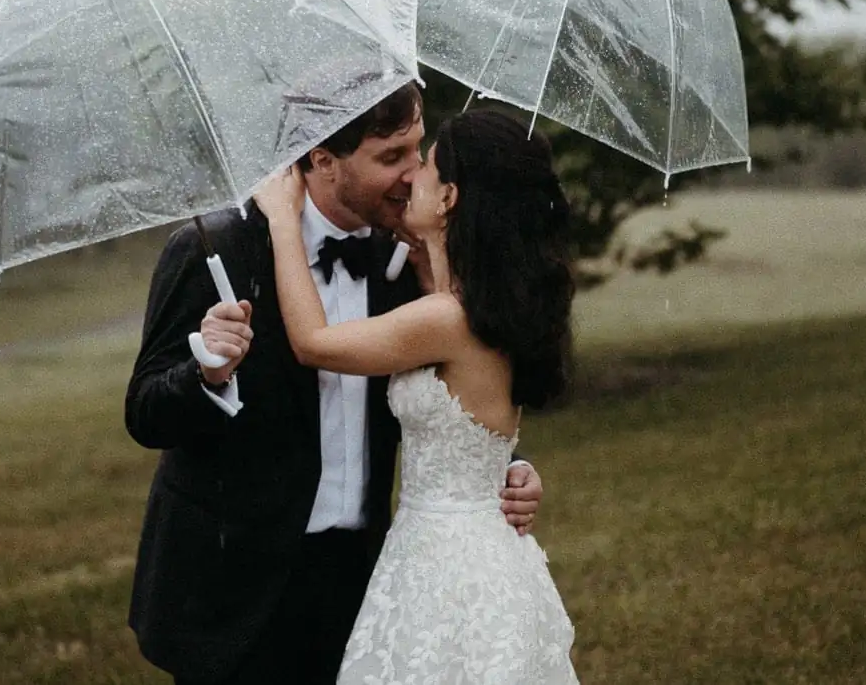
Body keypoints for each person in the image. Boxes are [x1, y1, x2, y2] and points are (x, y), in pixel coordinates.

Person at [125, 84, 546, 683]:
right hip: (235, 586)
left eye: (416, 150)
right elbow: (144, 411)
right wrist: (206, 374)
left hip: (364, 582)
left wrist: (505, 466)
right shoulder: (217, 249)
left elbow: (452, 386)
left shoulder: (407, 260)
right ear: (322, 159)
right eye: (390, 156)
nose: (410, 174)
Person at [255, 105, 579, 683]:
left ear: (450, 197)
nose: (410, 177)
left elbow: (312, 342)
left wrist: (283, 221)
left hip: (445, 563)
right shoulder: (493, 301)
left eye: (424, 165)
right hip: (472, 550)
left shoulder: (446, 319)